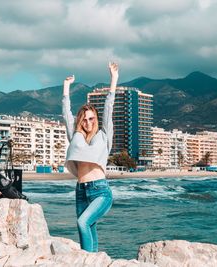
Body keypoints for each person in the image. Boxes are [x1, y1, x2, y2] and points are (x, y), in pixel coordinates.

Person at [62, 62, 118, 252]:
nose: (88, 122)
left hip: (101, 191)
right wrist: (66, 88)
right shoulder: (75, 136)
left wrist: (113, 79)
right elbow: (67, 116)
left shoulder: (104, 136)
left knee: (82, 222)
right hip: (80, 191)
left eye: (91, 118)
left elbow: (108, 108)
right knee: (89, 228)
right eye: (84, 119)